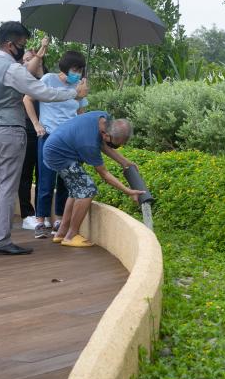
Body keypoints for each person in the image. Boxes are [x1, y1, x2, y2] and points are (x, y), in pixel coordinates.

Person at [0, 22, 88, 256]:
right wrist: (72, 94)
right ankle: (2, 240)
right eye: (22, 45)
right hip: (10, 131)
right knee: (7, 186)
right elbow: (41, 92)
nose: (23, 50)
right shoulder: (12, 69)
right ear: (10, 44)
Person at [43, 111, 143, 247]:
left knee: (76, 190)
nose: (118, 147)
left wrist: (125, 162)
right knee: (87, 190)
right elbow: (104, 174)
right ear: (106, 135)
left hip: (59, 147)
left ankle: (61, 233)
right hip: (58, 155)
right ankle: (71, 236)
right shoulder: (89, 144)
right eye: (117, 143)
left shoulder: (103, 118)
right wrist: (129, 191)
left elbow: (103, 144)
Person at [24, 50, 88, 239]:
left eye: (80, 70)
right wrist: (36, 124)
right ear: (65, 67)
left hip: (70, 140)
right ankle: (40, 221)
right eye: (75, 69)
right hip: (49, 136)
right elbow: (27, 98)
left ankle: (59, 218)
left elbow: (81, 113)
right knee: (45, 179)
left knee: (65, 181)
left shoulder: (78, 87)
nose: (77, 73)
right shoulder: (48, 79)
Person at [18, 45, 50, 231]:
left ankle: (41, 213)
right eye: (24, 61)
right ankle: (26, 214)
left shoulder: (49, 80)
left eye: (29, 59)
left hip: (46, 132)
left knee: (43, 174)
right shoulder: (23, 81)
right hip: (28, 131)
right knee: (25, 173)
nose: (26, 63)